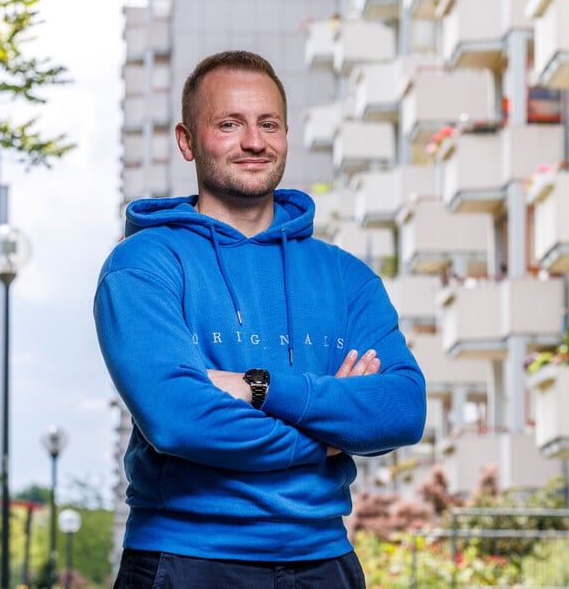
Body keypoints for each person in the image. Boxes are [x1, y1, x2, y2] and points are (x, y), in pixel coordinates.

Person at [94, 50, 427, 588]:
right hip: (186, 562)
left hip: (326, 563)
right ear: (187, 140)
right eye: (229, 124)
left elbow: (402, 410)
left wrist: (258, 388)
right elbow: (177, 419)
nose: (254, 141)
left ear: (286, 135)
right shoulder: (143, 265)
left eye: (268, 124)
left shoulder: (346, 277)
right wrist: (329, 437)